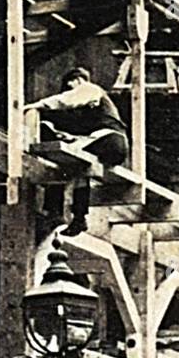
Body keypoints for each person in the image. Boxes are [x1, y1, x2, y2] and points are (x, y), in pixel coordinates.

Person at [26, 67, 129, 233]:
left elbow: (66, 100)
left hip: (110, 139)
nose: (70, 90)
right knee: (79, 167)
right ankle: (79, 217)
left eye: (70, 86)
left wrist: (34, 106)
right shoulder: (94, 105)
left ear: (77, 81)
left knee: (60, 159)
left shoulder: (90, 89)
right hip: (112, 143)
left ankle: (55, 211)